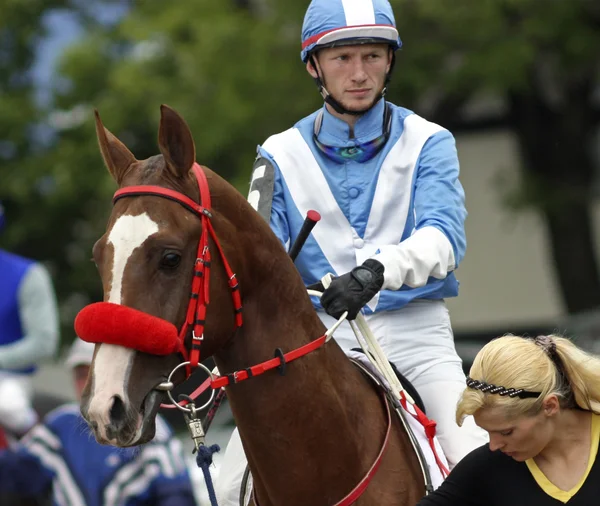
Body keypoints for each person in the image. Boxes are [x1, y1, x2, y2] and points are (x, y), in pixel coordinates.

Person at [245, 0, 487, 468]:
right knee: (238, 477)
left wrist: (377, 271)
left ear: (390, 60)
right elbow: (257, 260)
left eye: (372, 56)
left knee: (473, 460)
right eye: (342, 58)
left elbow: (445, 237)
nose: (359, 73)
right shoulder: (277, 153)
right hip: (319, 339)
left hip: (417, 333)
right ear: (314, 66)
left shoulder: (430, 140)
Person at [0, 338, 198, 506]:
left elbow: (176, 495)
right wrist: (21, 423)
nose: (86, 384)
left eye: (92, 372)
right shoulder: (60, 426)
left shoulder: (148, 428)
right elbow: (17, 476)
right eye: (79, 375)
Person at [417, 334, 600, 505]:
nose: (494, 445)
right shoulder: (486, 467)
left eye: (506, 432)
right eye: (487, 432)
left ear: (550, 406)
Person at [0, 200, 60, 439]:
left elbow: (44, 343)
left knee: (8, 407)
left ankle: (39, 445)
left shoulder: (28, 275)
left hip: (10, 378)